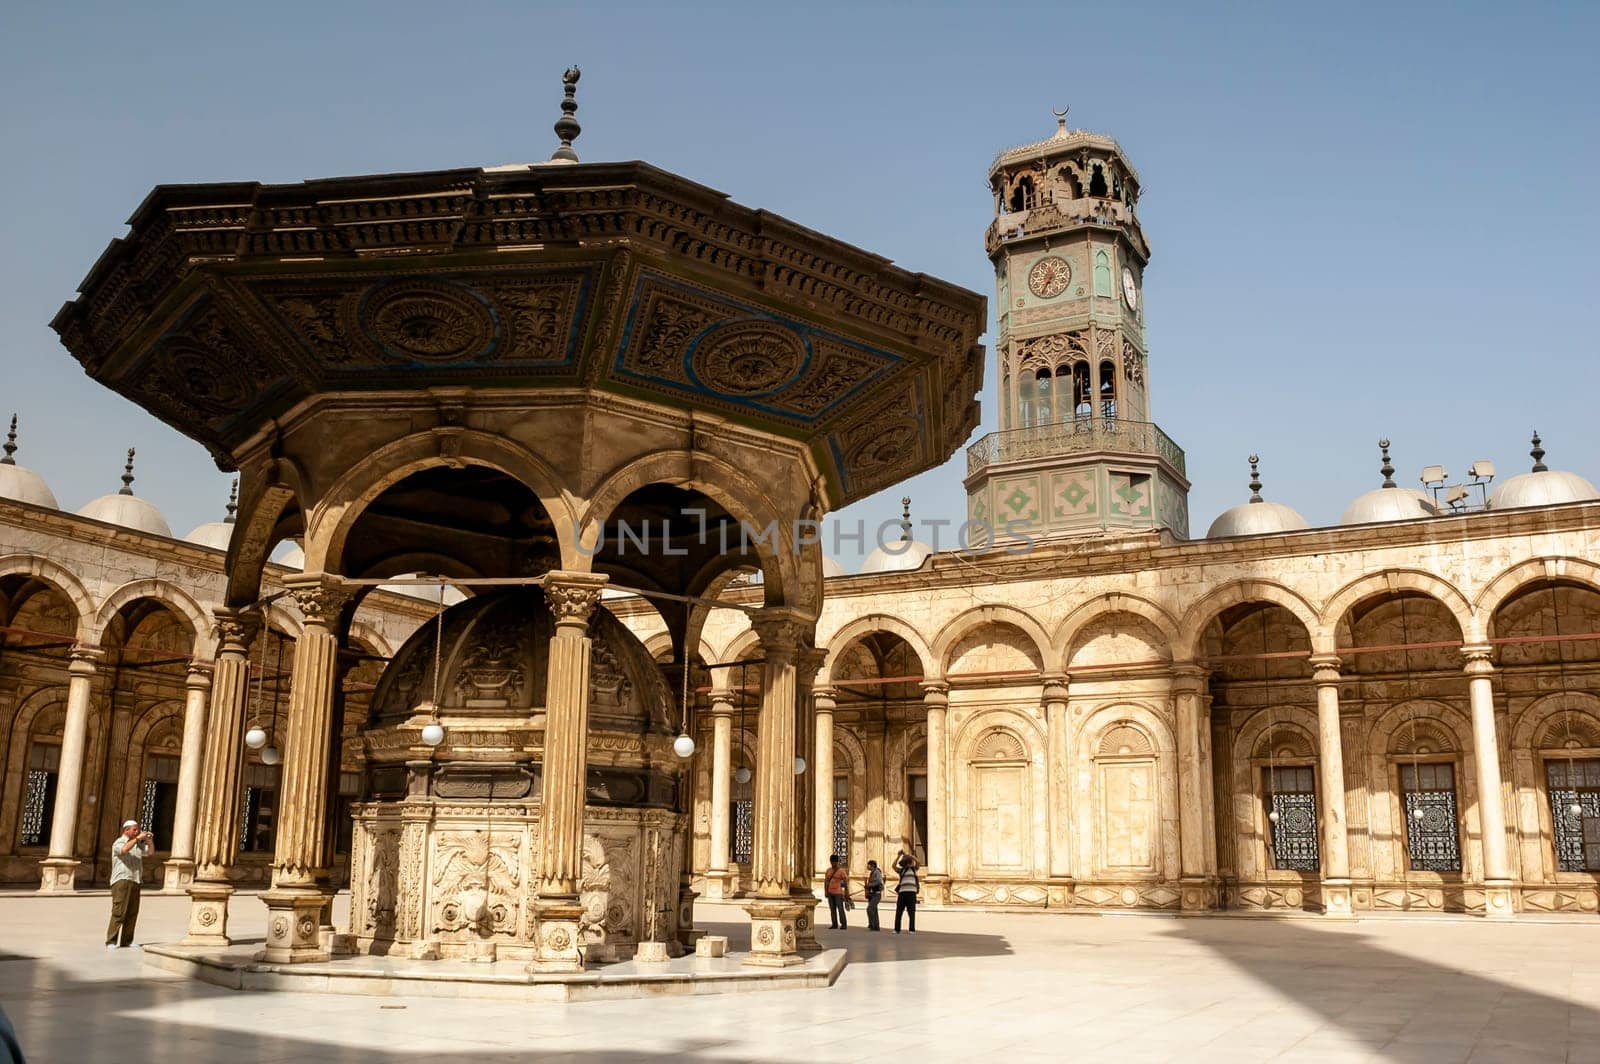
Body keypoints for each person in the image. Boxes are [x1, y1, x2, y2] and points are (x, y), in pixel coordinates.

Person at [106, 819, 152, 949]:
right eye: (134, 829)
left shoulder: (137, 845)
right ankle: (111, 941)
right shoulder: (118, 842)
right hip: (122, 880)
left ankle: (127, 941)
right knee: (119, 912)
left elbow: (150, 852)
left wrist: (149, 840)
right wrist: (138, 838)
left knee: (132, 912)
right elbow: (124, 850)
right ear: (126, 830)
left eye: (138, 829)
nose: (137, 831)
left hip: (135, 879)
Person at [893, 849, 919, 934]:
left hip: (912, 893)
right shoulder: (902, 870)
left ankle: (912, 929)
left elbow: (918, 863)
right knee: (899, 911)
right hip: (902, 892)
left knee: (911, 912)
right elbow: (893, 866)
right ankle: (897, 929)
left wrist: (911, 856)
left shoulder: (914, 869)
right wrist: (898, 856)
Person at [824, 854, 849, 929]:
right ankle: (834, 924)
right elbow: (826, 881)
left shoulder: (841, 871)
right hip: (830, 892)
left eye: (835, 862)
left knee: (840, 909)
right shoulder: (828, 870)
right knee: (832, 909)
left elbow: (845, 882)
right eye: (832, 862)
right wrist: (826, 891)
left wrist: (846, 893)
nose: (833, 863)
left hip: (838, 892)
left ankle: (843, 924)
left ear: (837, 862)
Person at [863, 859, 884, 931]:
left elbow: (878, 881)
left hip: (876, 894)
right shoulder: (872, 873)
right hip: (872, 894)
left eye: (868, 865)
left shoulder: (876, 872)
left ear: (872, 865)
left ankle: (872, 925)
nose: (867, 866)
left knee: (870, 909)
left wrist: (869, 885)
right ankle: (876, 926)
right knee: (874, 910)